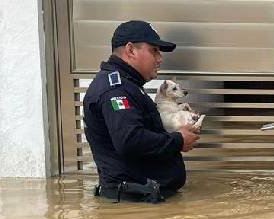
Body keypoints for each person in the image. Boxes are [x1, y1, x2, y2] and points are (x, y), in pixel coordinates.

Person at [83, 20, 200, 203]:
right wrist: (178, 141)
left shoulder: (129, 85)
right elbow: (130, 140)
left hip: (144, 199)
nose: (160, 58)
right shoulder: (116, 90)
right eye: (154, 50)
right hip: (135, 203)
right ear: (130, 50)